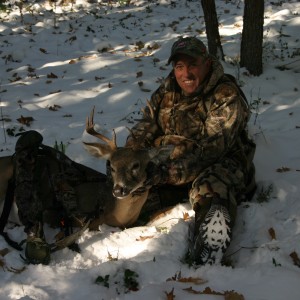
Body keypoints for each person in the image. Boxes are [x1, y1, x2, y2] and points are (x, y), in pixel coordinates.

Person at [125, 36, 256, 265]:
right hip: (170, 168)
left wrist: (168, 173)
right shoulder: (167, 91)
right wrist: (127, 157)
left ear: (206, 63)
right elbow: (147, 126)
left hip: (216, 165)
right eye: (179, 67)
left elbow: (212, 150)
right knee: (131, 195)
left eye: (193, 65)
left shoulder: (225, 94)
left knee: (211, 187)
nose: (186, 74)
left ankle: (208, 245)